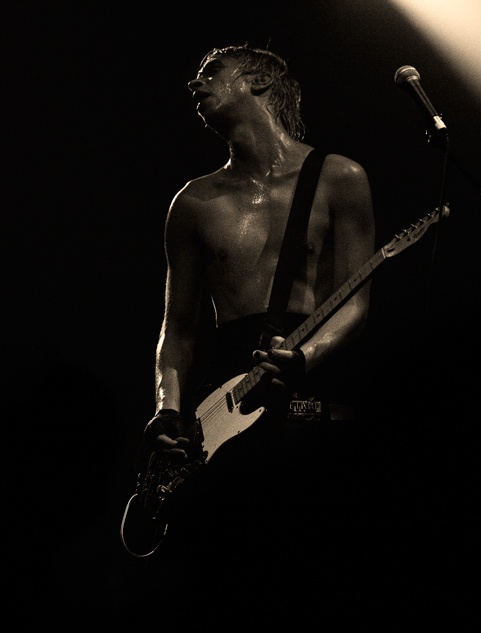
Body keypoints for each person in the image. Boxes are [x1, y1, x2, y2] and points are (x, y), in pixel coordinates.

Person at [120, 44, 379, 627]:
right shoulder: (192, 202)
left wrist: (305, 357)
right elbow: (178, 328)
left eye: (210, 72)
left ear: (258, 79)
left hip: (312, 404)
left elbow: (357, 303)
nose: (195, 85)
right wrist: (168, 411)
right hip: (224, 416)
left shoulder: (340, 177)